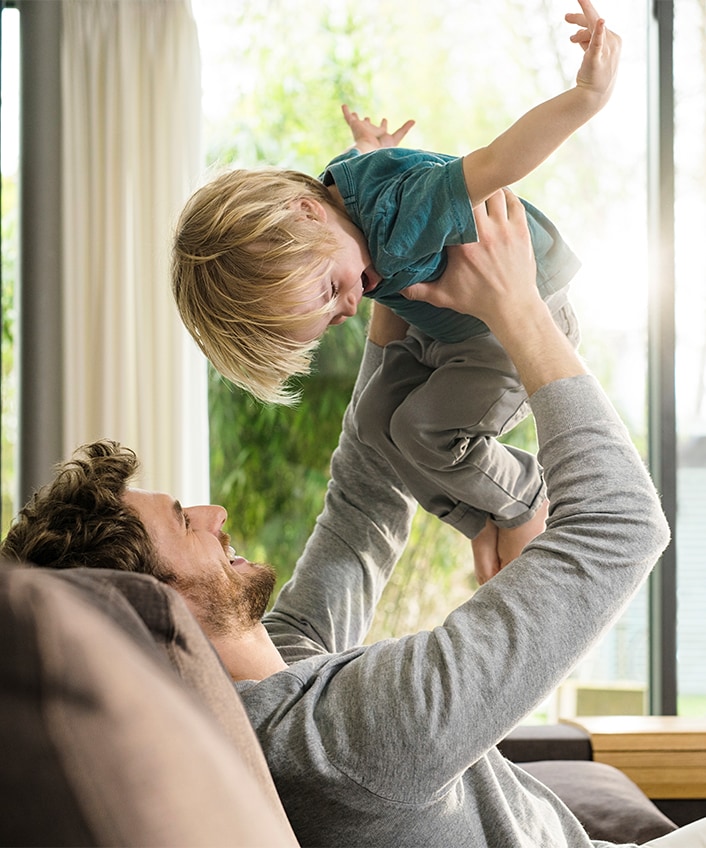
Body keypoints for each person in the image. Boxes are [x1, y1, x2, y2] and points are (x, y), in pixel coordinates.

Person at [5, 188, 701, 847]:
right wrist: (520, 311)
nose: (216, 513)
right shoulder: (345, 743)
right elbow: (621, 526)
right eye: (186, 522)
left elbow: (361, 503)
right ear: (160, 604)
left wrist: (380, 278)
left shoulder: (276, 684)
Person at [172, 0, 621, 571]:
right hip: (449, 332)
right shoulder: (339, 200)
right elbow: (379, 176)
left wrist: (587, 97)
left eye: (335, 290)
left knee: (421, 429)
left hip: (510, 332)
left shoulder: (398, 225)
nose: (354, 302)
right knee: (371, 422)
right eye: (335, 315)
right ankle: (479, 516)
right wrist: (377, 151)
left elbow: (497, 162)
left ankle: (525, 498)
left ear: (307, 214)